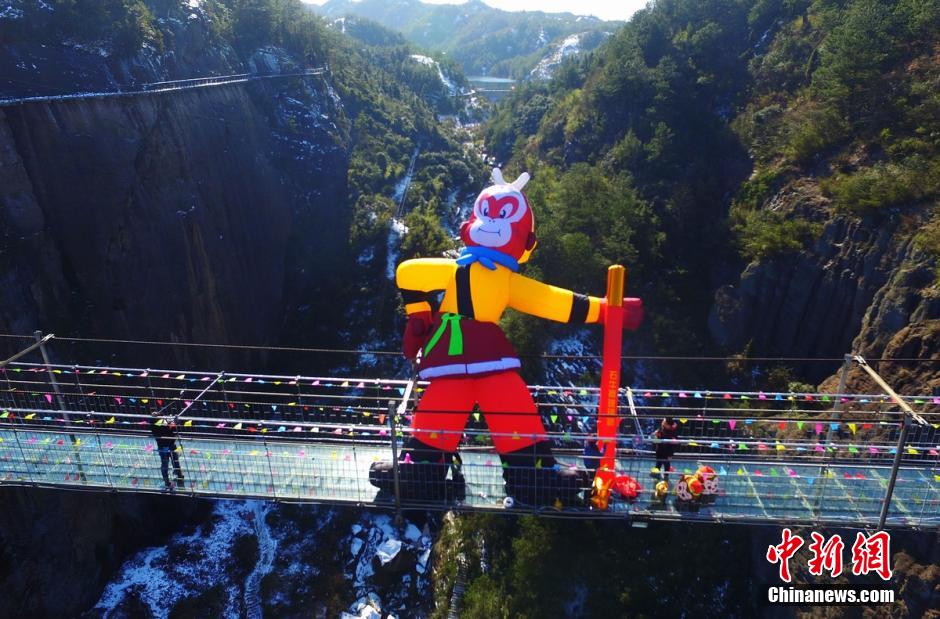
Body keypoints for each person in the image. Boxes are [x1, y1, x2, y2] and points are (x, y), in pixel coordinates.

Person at [369, 168, 644, 506]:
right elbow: (408, 274)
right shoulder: (465, 271)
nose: (495, 222)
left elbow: (408, 274)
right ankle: (524, 475)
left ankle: (447, 472)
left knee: (496, 402)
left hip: (457, 354)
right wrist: (419, 316)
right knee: (495, 403)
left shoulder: (464, 271)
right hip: (476, 350)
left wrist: (603, 309)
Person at [150, 411, 185, 490]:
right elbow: (172, 430)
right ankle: (179, 476)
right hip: (169, 445)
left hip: (163, 446)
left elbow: (171, 428)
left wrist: (171, 422)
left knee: (167, 463)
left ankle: (168, 480)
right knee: (174, 461)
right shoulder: (161, 424)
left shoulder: (154, 424)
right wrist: (174, 421)